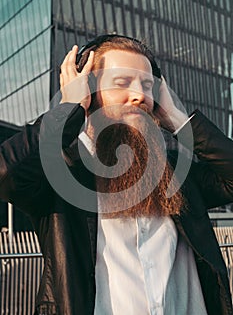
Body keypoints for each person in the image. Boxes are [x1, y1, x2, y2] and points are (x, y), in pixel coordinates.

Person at [0, 34, 233, 315]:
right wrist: (69, 109)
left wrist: (179, 121)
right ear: (88, 92)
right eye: (122, 83)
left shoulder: (175, 174)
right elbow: (6, 174)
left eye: (148, 86)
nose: (140, 96)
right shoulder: (61, 172)